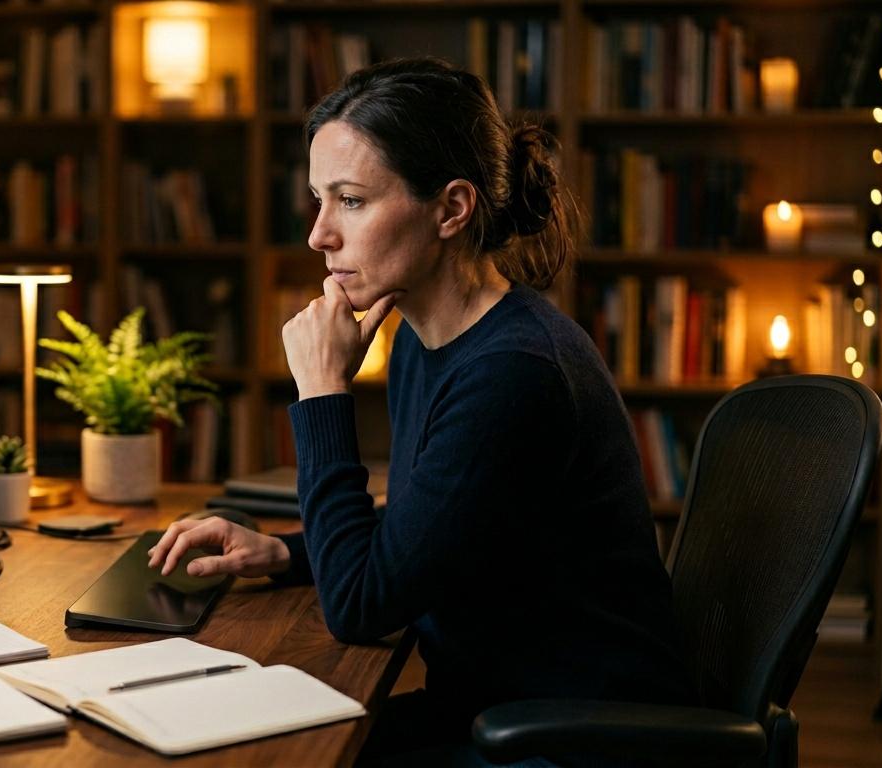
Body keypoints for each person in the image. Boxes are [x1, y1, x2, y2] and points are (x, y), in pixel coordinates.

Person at [147, 57, 695, 765]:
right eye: (318, 200)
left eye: (350, 200)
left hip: (570, 739)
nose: (319, 234)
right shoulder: (425, 341)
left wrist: (321, 391)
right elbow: (430, 528)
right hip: (495, 708)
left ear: (451, 208)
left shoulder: (512, 372)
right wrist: (286, 551)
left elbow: (361, 607)